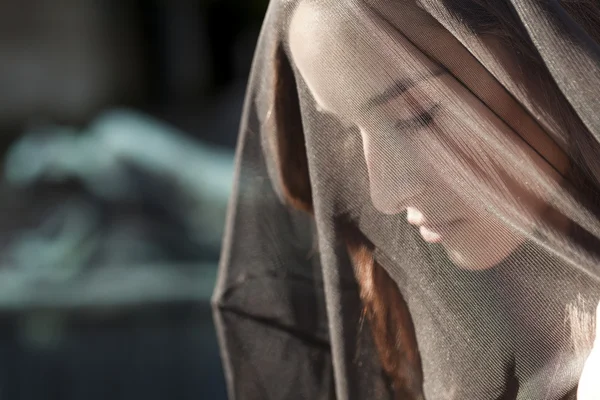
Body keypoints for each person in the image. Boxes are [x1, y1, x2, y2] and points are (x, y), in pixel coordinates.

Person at [213, 0, 600, 398]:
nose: (385, 195)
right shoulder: (457, 338)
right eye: (349, 131)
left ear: (547, 51)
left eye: (418, 115)